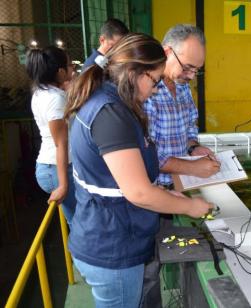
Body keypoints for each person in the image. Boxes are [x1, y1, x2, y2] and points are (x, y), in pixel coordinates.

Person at [64, 33, 212, 307]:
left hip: (110, 234)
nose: (155, 90)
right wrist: (190, 207)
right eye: (154, 81)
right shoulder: (111, 113)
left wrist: (171, 197)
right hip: (112, 247)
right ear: (135, 73)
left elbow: (125, 178)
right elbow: (139, 192)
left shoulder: (113, 103)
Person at [144, 24, 219, 191]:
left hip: (181, 184)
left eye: (197, 70)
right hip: (156, 189)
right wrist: (192, 167)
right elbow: (145, 153)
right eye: (187, 67)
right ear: (167, 53)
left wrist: (193, 147)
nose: (191, 76)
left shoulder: (182, 85)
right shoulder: (145, 91)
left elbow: (190, 124)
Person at [26, 46, 76, 224]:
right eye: (70, 66)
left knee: (77, 221)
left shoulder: (42, 92)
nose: (73, 69)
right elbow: (60, 144)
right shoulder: (55, 99)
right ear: (60, 72)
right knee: (78, 223)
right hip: (56, 168)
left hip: (53, 166)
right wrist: (63, 185)